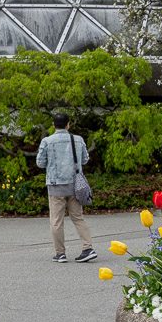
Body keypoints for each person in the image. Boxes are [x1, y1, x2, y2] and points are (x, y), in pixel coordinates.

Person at [36, 113, 96, 264]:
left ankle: (60, 254)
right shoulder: (78, 139)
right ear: (68, 124)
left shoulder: (47, 141)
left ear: (53, 124)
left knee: (56, 221)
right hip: (75, 185)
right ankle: (87, 248)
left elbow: (40, 163)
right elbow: (85, 159)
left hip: (55, 185)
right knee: (78, 217)